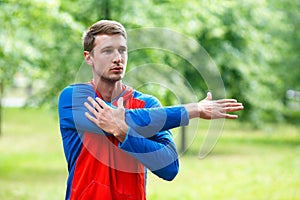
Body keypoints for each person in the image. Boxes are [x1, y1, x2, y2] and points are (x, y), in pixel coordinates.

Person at [58, 20, 243, 200]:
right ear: (88, 57)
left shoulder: (147, 104)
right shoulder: (74, 98)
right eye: (107, 51)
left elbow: (170, 168)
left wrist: (125, 134)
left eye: (122, 50)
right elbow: (128, 117)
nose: (118, 58)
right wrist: (194, 110)